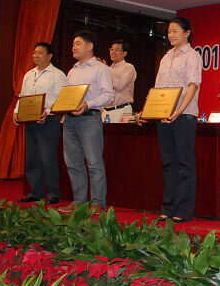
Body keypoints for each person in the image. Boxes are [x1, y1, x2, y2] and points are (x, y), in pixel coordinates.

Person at [60, 30, 114, 215]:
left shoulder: (101, 69)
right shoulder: (72, 70)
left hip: (90, 118)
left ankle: (97, 203)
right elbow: (67, 96)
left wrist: (87, 104)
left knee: (94, 162)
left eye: (78, 44)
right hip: (70, 120)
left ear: (90, 46)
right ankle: (79, 202)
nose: (73, 47)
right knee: (73, 162)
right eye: (73, 44)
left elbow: (108, 95)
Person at [155, 17, 202, 223]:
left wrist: (179, 111)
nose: (171, 35)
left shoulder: (192, 56)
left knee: (184, 163)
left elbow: (193, 85)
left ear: (187, 33)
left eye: (175, 31)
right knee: (168, 163)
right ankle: (168, 208)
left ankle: (183, 210)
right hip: (163, 115)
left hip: (184, 115)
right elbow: (158, 88)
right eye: (169, 32)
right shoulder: (166, 57)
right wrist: (150, 111)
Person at [13, 42, 68, 204]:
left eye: (40, 53)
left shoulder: (57, 74)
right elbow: (23, 96)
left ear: (50, 56)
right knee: (32, 158)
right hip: (30, 119)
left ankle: (53, 193)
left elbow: (62, 98)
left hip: (48, 120)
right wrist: (16, 111)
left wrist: (48, 111)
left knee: (47, 157)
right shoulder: (29, 74)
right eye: (34, 53)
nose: (36, 56)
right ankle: (35, 193)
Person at [102, 39, 136, 123]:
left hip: (122, 109)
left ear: (124, 53)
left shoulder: (128, 67)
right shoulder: (108, 69)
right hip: (106, 111)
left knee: (122, 132)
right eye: (111, 49)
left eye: (117, 50)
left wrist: (106, 71)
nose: (113, 52)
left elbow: (120, 85)